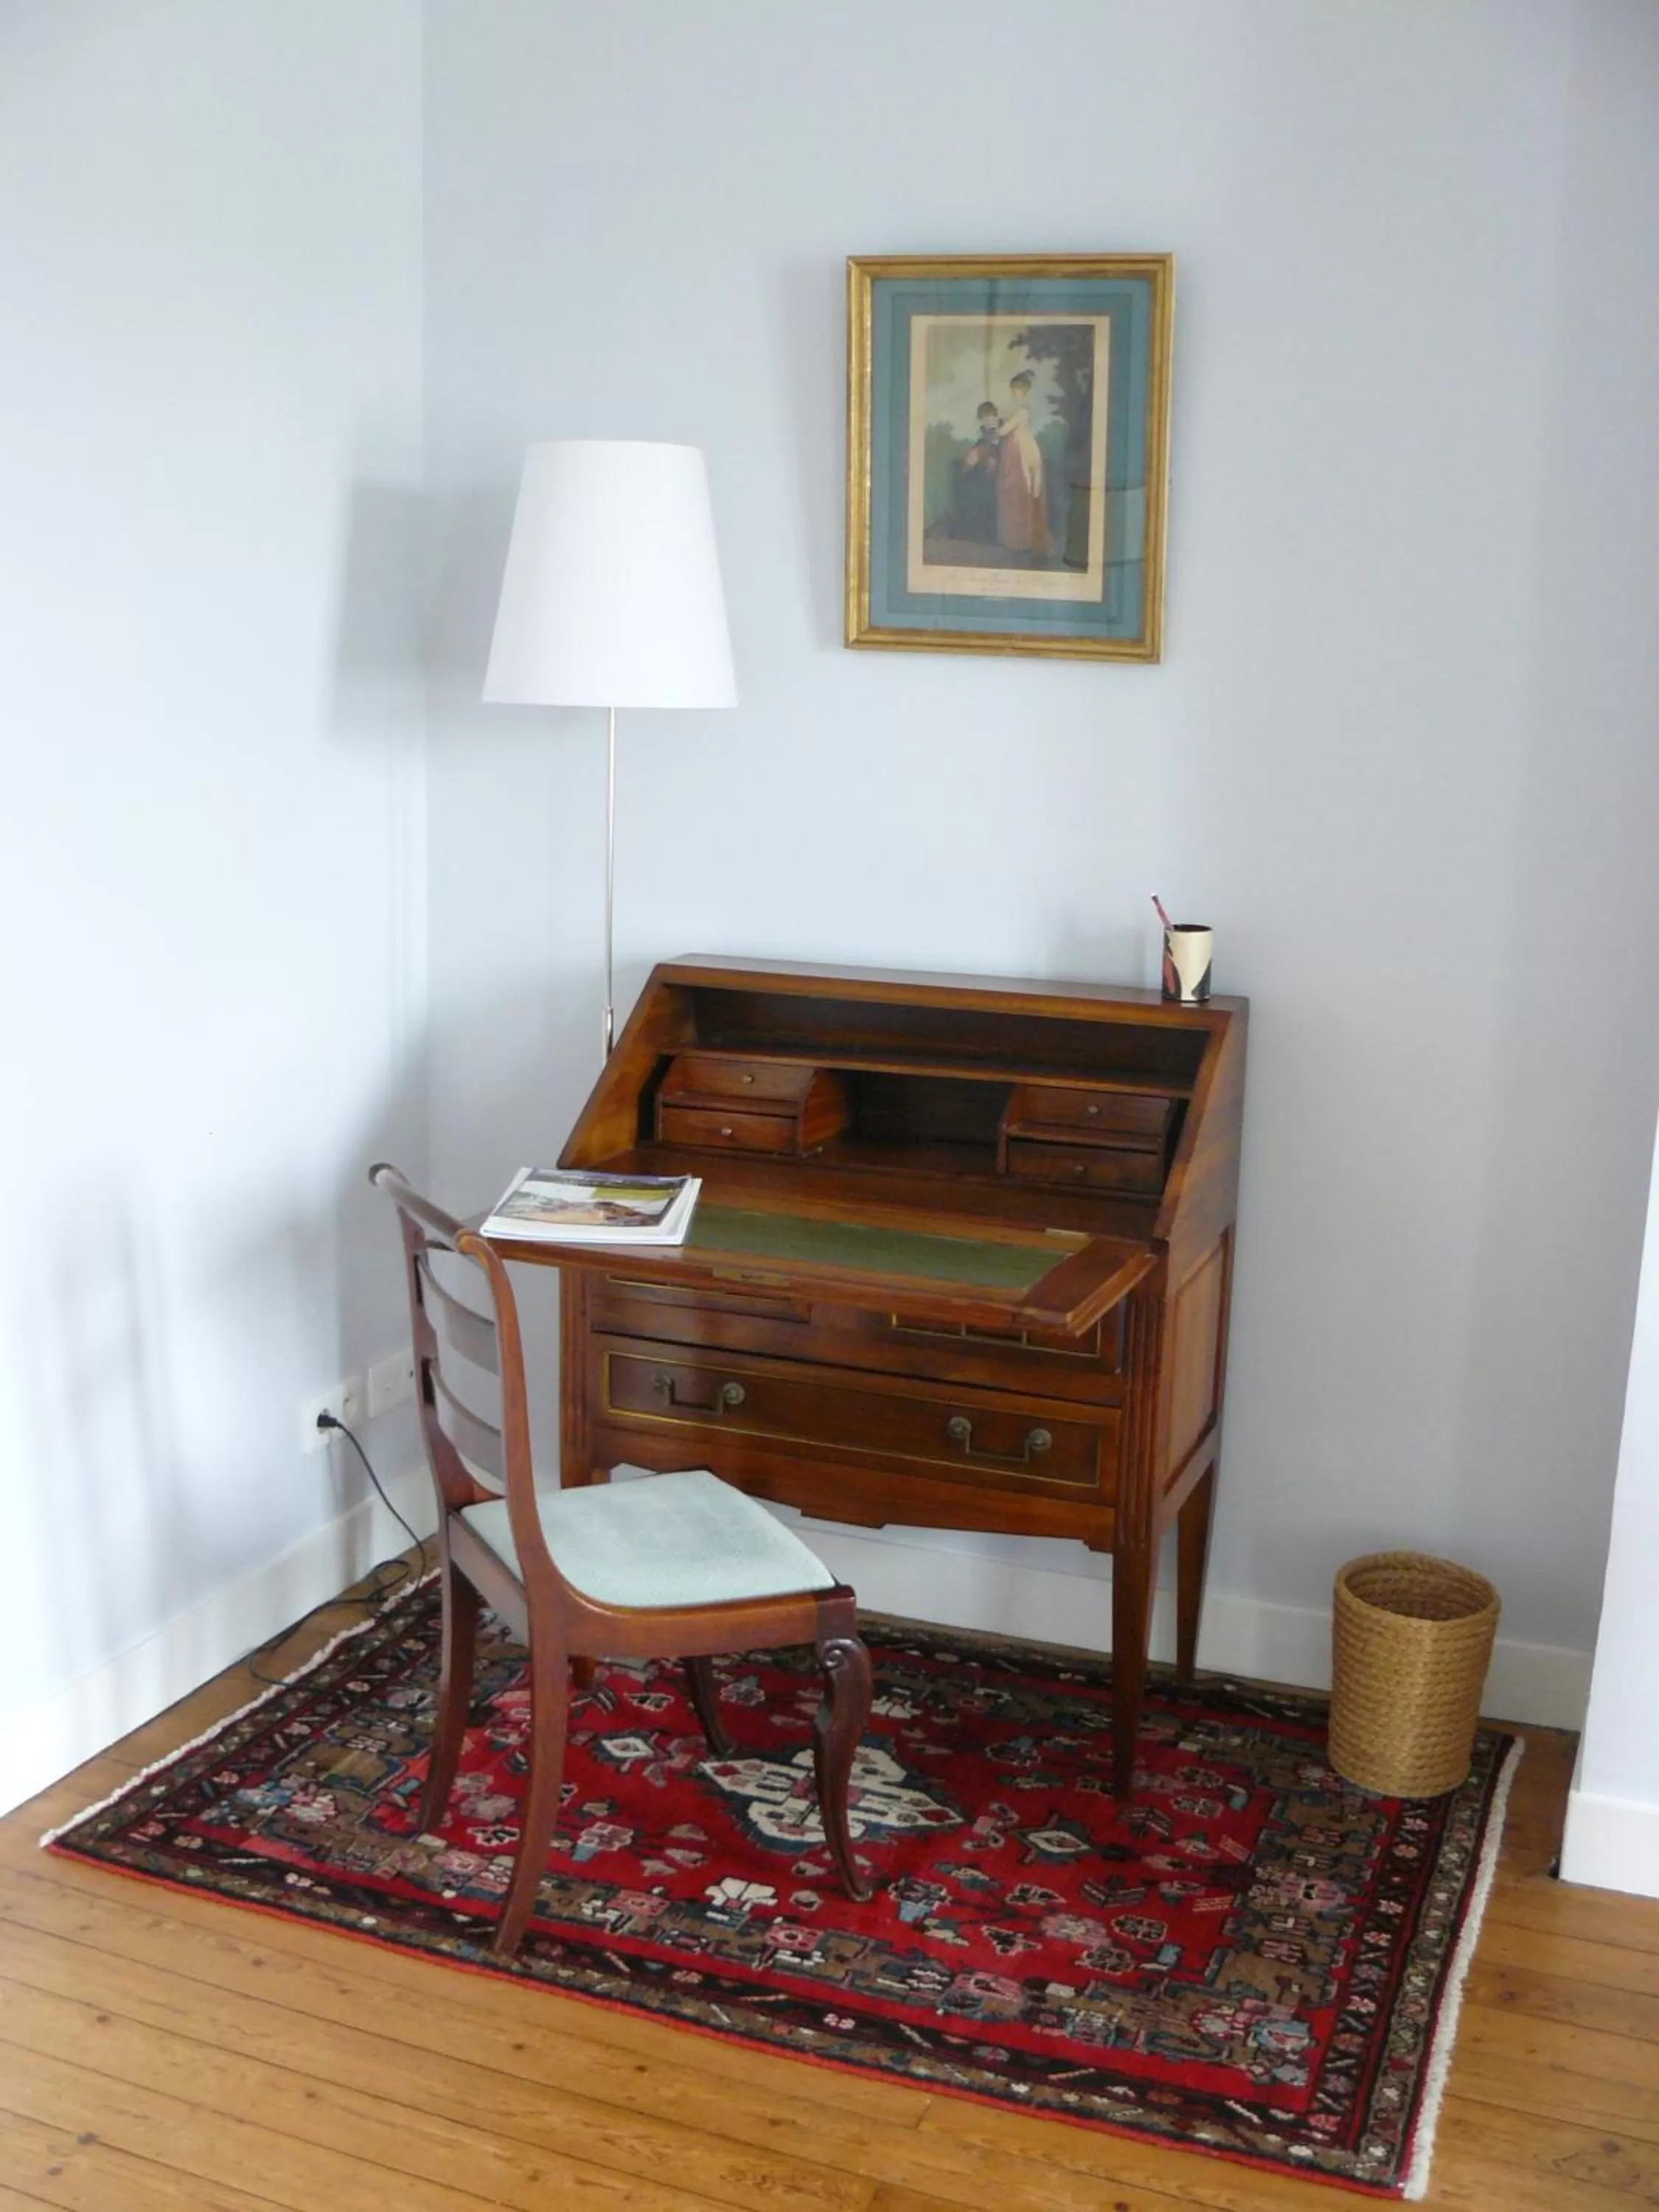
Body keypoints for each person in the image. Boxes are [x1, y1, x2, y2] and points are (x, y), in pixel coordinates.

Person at [995, 369, 1051, 557]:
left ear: (1025, 391)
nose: (1016, 392)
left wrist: (997, 429)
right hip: (1014, 448)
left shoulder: (1022, 410)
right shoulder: (1014, 408)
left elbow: (1004, 430)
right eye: (1014, 389)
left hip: (1022, 448)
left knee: (1023, 489)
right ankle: (1014, 538)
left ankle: (1023, 539)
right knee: (1013, 492)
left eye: (1019, 389)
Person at [950, 401, 1002, 543]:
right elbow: (979, 450)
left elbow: (996, 450)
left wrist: (981, 455)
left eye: (991, 416)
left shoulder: (1000, 431)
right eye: (984, 418)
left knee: (974, 482)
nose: (988, 420)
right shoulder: (984, 434)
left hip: (998, 469)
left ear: (996, 417)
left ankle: (980, 532)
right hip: (983, 467)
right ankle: (965, 529)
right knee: (964, 478)